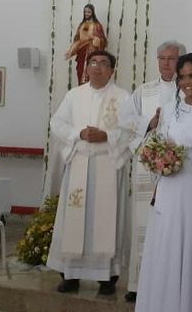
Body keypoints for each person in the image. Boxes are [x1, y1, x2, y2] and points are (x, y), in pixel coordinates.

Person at [135, 52, 192, 311]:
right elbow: (156, 143)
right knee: (166, 249)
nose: (186, 82)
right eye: (181, 77)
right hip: (169, 189)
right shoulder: (168, 110)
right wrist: (158, 159)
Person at [46, 50, 132, 295]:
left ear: (112, 71)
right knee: (73, 219)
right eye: (93, 62)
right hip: (80, 165)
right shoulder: (75, 95)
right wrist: (79, 134)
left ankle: (107, 277)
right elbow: (57, 123)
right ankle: (70, 275)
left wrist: (107, 135)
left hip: (107, 163)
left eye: (104, 64)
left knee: (107, 219)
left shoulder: (123, 97)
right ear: (86, 68)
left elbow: (132, 130)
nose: (97, 67)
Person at [117, 40, 186, 302]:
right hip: (149, 165)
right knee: (143, 222)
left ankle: (171, 282)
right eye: (162, 58)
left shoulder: (189, 89)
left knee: (172, 226)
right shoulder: (144, 91)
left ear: (181, 59)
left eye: (171, 58)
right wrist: (150, 122)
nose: (166, 63)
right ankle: (138, 283)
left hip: (179, 167)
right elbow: (125, 121)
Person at [64, 3, 108, 85]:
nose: (86, 14)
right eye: (85, 12)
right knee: (80, 72)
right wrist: (71, 50)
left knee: (91, 73)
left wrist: (97, 40)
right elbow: (77, 39)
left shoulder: (97, 26)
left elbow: (103, 41)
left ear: (92, 13)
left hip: (92, 53)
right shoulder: (81, 25)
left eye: (88, 12)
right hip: (81, 53)